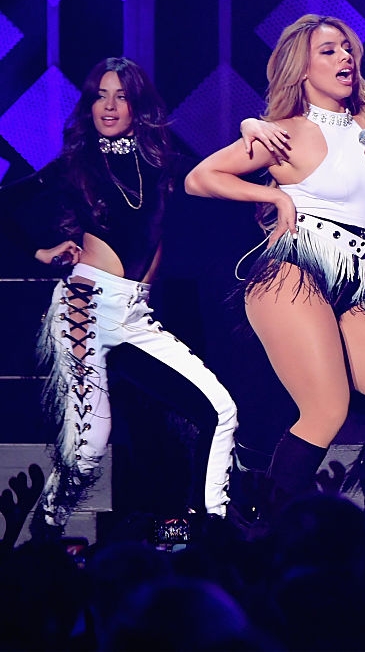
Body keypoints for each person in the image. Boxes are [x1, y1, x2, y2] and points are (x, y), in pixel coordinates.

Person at [184, 14, 365, 528]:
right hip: (290, 274)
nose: (344, 58)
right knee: (326, 409)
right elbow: (199, 177)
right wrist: (270, 193)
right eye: (328, 51)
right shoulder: (286, 134)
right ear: (301, 67)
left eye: (347, 49)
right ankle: (269, 534)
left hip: (350, 284)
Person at [0, 57, 238, 532]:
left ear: (137, 105)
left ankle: (212, 532)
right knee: (89, 447)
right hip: (84, 308)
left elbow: (218, 173)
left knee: (221, 409)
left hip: (134, 315)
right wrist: (39, 251)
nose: (108, 106)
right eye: (99, 96)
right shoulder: (76, 162)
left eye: (120, 96)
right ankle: (44, 534)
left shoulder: (161, 161)